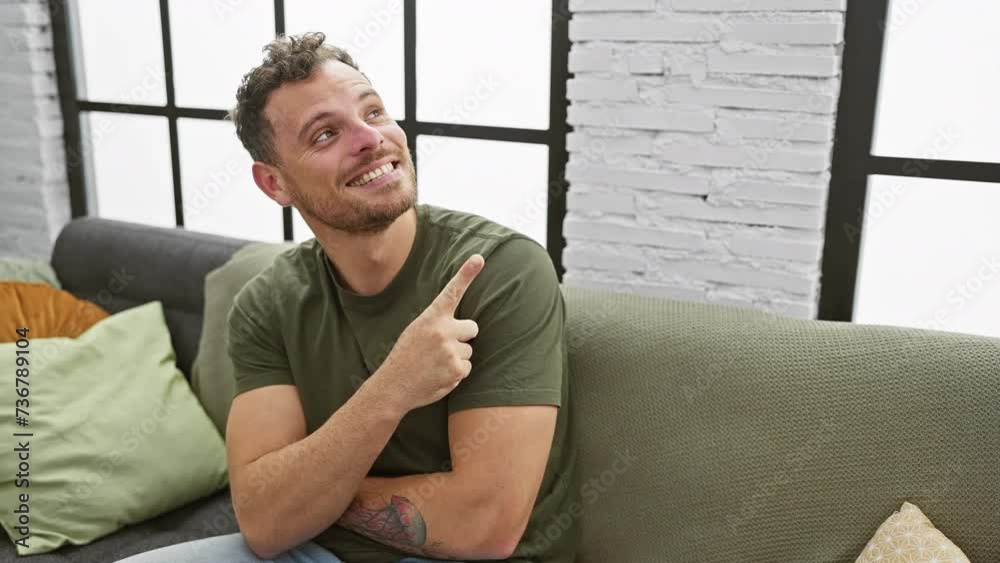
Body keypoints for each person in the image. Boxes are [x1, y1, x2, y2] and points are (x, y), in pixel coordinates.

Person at [117, 32, 578, 563]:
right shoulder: (267, 302)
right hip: (314, 550)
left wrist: (309, 493)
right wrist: (394, 386)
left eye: (375, 112)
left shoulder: (501, 271)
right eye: (326, 134)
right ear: (274, 184)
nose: (369, 138)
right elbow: (264, 523)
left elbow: (484, 526)